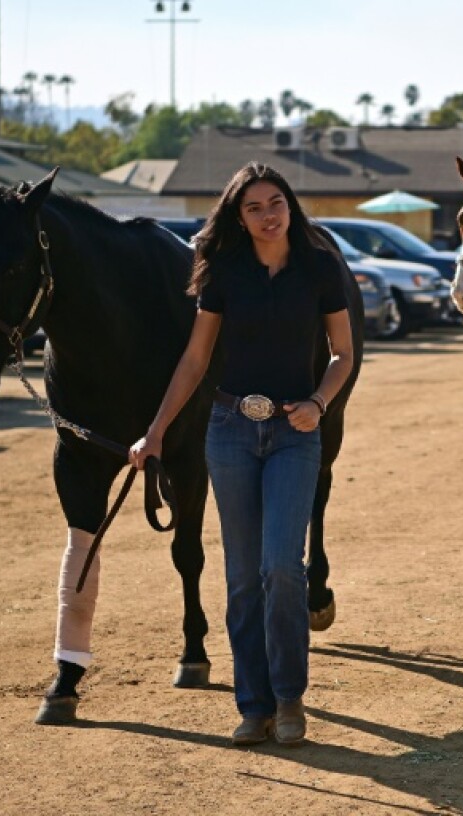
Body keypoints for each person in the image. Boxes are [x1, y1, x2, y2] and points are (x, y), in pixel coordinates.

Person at [129, 162, 354, 747]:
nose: (268, 214)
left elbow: (343, 353)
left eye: (275, 202)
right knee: (242, 578)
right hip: (229, 428)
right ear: (238, 215)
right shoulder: (222, 272)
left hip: (294, 432)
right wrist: (155, 431)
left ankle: (289, 698)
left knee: (282, 566)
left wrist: (319, 402)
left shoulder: (318, 266)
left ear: (290, 204)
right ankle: (252, 706)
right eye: (253, 207)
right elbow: (195, 360)